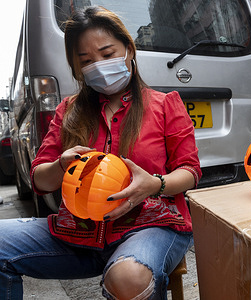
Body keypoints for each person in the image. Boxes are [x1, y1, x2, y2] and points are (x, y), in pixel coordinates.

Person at [0, 6, 201, 300]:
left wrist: (154, 184)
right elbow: (39, 180)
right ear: (77, 68)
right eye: (87, 61)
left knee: (127, 277)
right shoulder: (67, 111)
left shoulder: (165, 104)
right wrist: (59, 166)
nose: (99, 65)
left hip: (149, 227)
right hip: (77, 234)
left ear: (129, 50)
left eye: (107, 55)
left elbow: (190, 171)